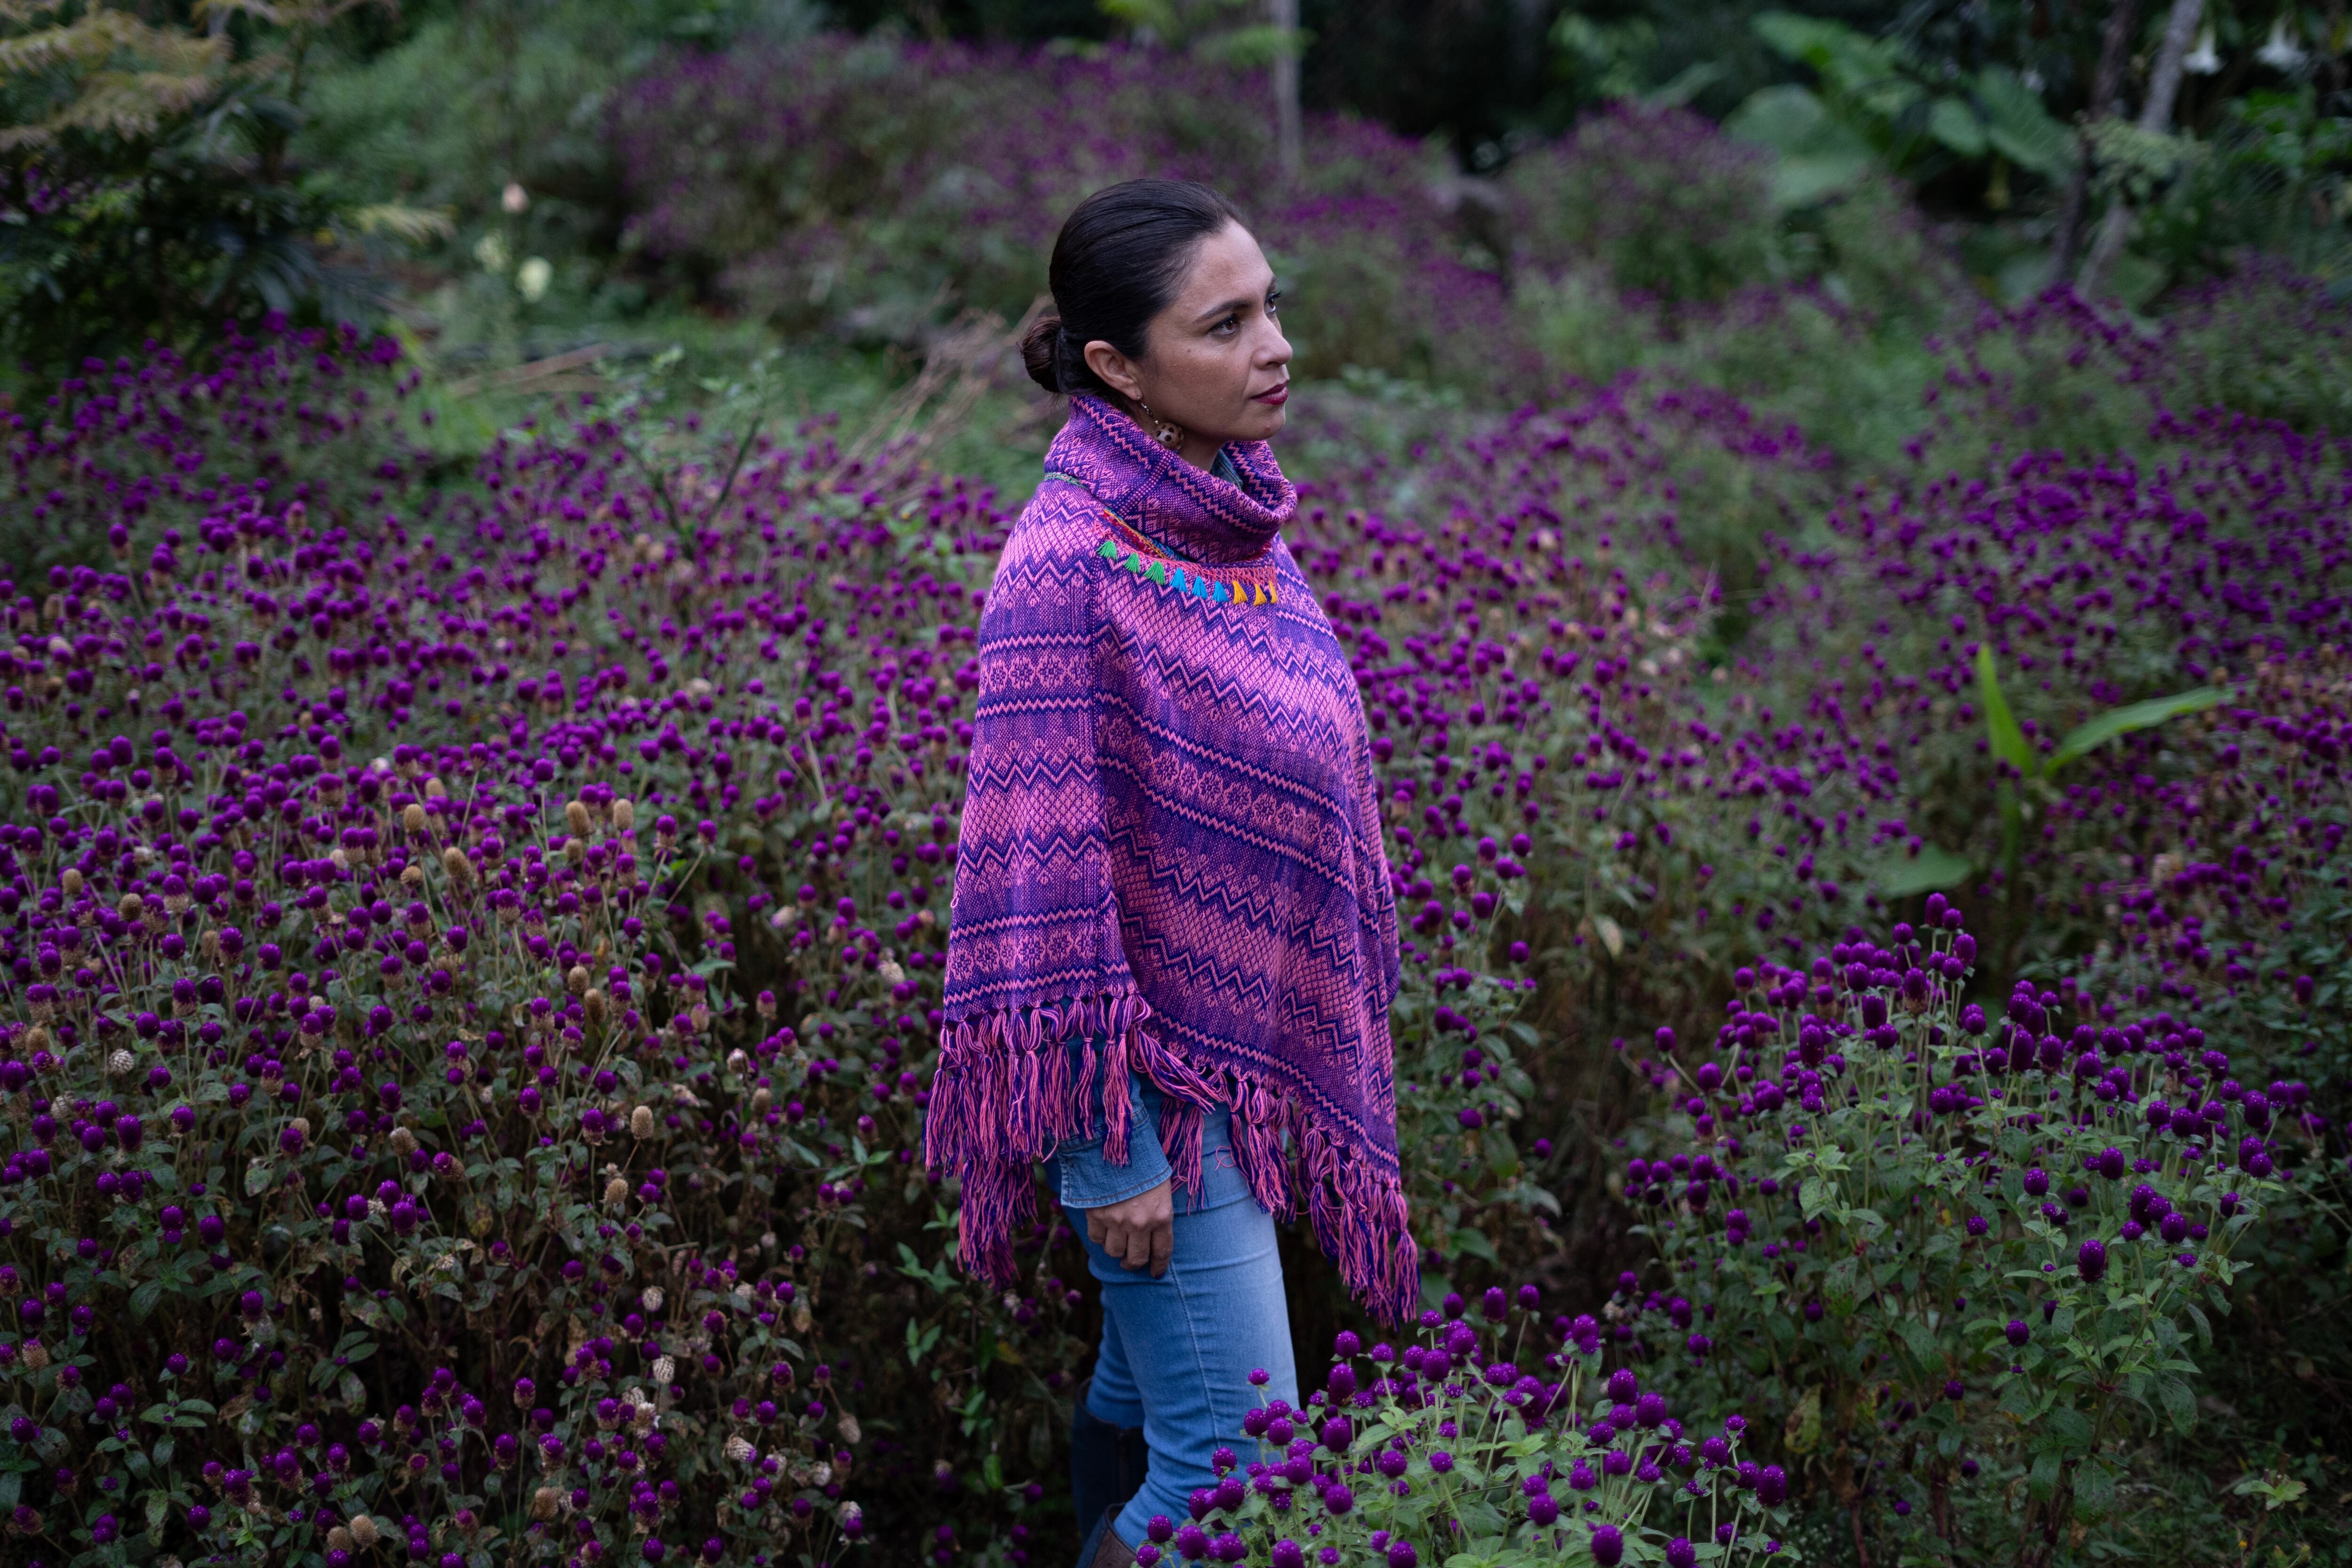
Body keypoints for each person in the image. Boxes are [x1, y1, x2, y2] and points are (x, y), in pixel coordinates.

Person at [922, 178, 1413, 1567]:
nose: (1278, 347)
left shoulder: (1233, 520)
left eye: (1273, 306)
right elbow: (1035, 887)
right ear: (1117, 367)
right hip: (1151, 1118)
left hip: (1232, 1083)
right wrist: (1113, 1146)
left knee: (1148, 1413)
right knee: (1235, 1481)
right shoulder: (1066, 570)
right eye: (1229, 323)